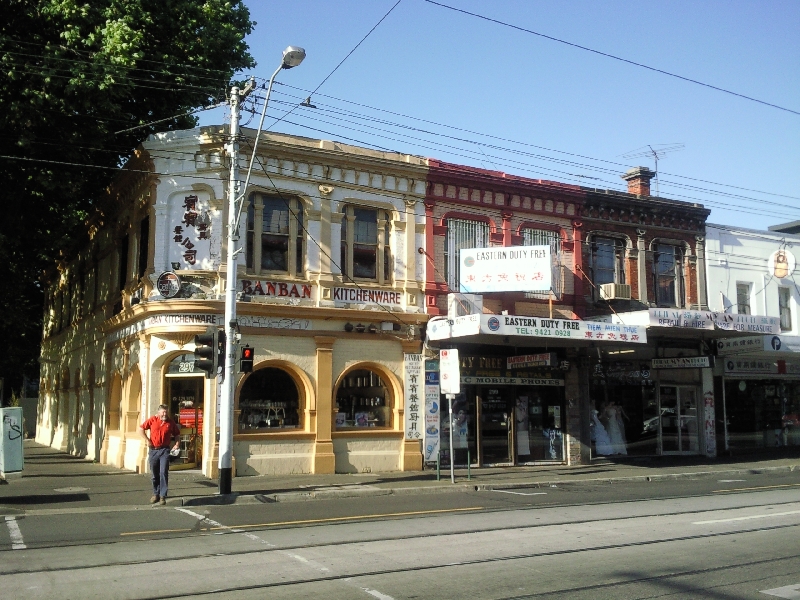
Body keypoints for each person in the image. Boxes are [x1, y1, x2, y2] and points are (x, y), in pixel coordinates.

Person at [139, 404, 181, 505]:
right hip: (153, 450)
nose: (165, 414)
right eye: (163, 412)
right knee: (154, 474)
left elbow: (177, 434)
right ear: (158, 413)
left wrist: (177, 444)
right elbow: (141, 429)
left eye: (166, 412)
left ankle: (162, 495)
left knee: (163, 472)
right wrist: (147, 440)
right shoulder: (153, 420)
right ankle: (155, 493)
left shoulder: (170, 423)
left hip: (164, 450)